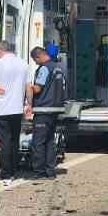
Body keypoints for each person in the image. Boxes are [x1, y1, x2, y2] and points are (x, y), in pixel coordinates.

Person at [0, 40, 32, 183]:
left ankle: (5, 174)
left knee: (4, 142)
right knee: (14, 140)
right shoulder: (23, 64)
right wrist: (29, 104)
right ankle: (14, 170)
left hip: (1, 110)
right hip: (17, 109)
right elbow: (28, 86)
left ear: (0, 50)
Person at [28, 46, 67, 180]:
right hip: (55, 109)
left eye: (35, 60)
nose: (36, 63)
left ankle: (39, 172)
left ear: (38, 56)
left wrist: (27, 87)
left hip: (43, 109)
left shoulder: (44, 68)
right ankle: (50, 171)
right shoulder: (59, 67)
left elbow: (38, 89)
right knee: (50, 142)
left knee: (38, 142)